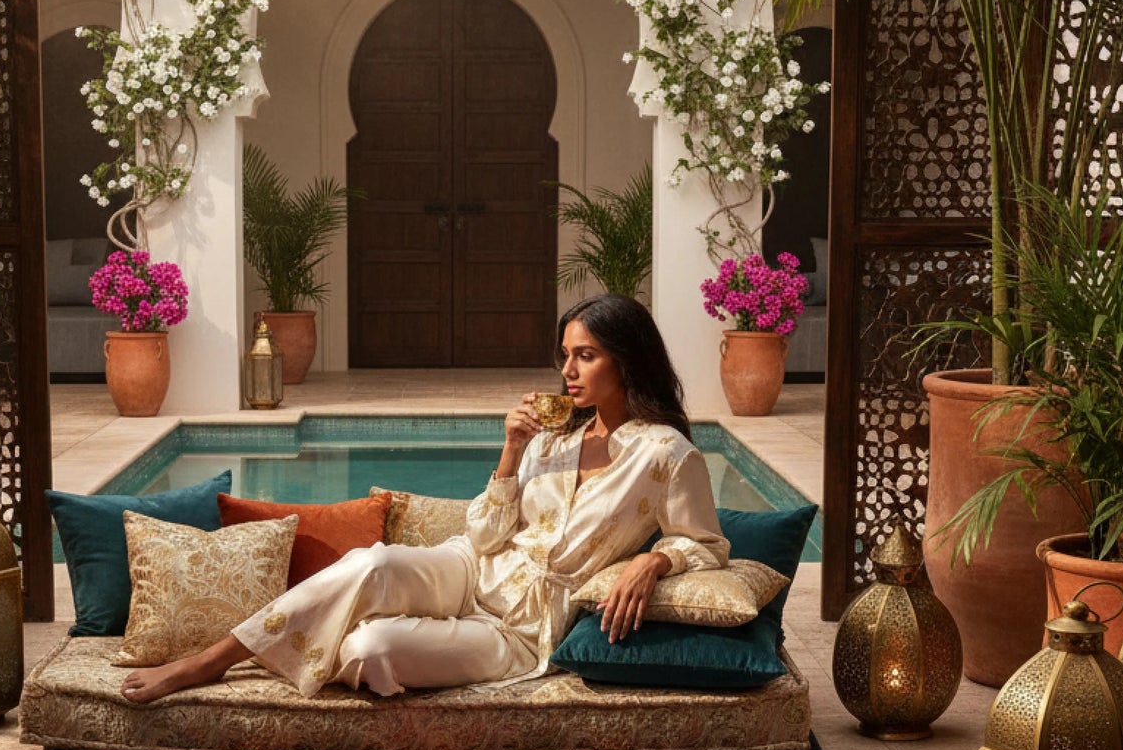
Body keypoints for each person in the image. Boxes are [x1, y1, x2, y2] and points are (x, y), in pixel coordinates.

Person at [119, 293, 729, 704]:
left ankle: (325, 635)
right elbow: (489, 536)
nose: (567, 371)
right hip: (472, 568)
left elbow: (707, 543)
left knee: (371, 648)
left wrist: (655, 560)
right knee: (374, 561)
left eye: (585, 356)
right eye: (564, 355)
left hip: (525, 627)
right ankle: (210, 661)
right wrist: (512, 453)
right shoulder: (552, 439)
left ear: (627, 363)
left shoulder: (665, 455)